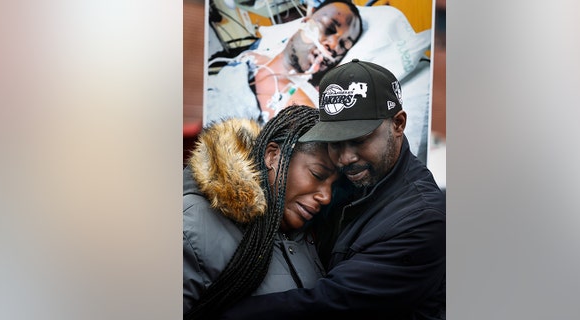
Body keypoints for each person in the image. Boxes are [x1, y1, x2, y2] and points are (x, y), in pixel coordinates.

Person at [219, 59, 446, 319]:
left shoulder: (422, 219)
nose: (345, 158)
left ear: (398, 124)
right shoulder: (350, 181)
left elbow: (330, 305)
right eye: (335, 142)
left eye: (359, 140)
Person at [183, 105, 339, 318]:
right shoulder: (190, 226)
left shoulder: (304, 232)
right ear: (272, 155)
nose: (326, 196)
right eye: (318, 174)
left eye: (333, 185)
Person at [205, 0, 363, 125]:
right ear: (307, 20)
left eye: (343, 45)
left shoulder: (300, 108)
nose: (334, 45)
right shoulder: (252, 56)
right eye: (329, 28)